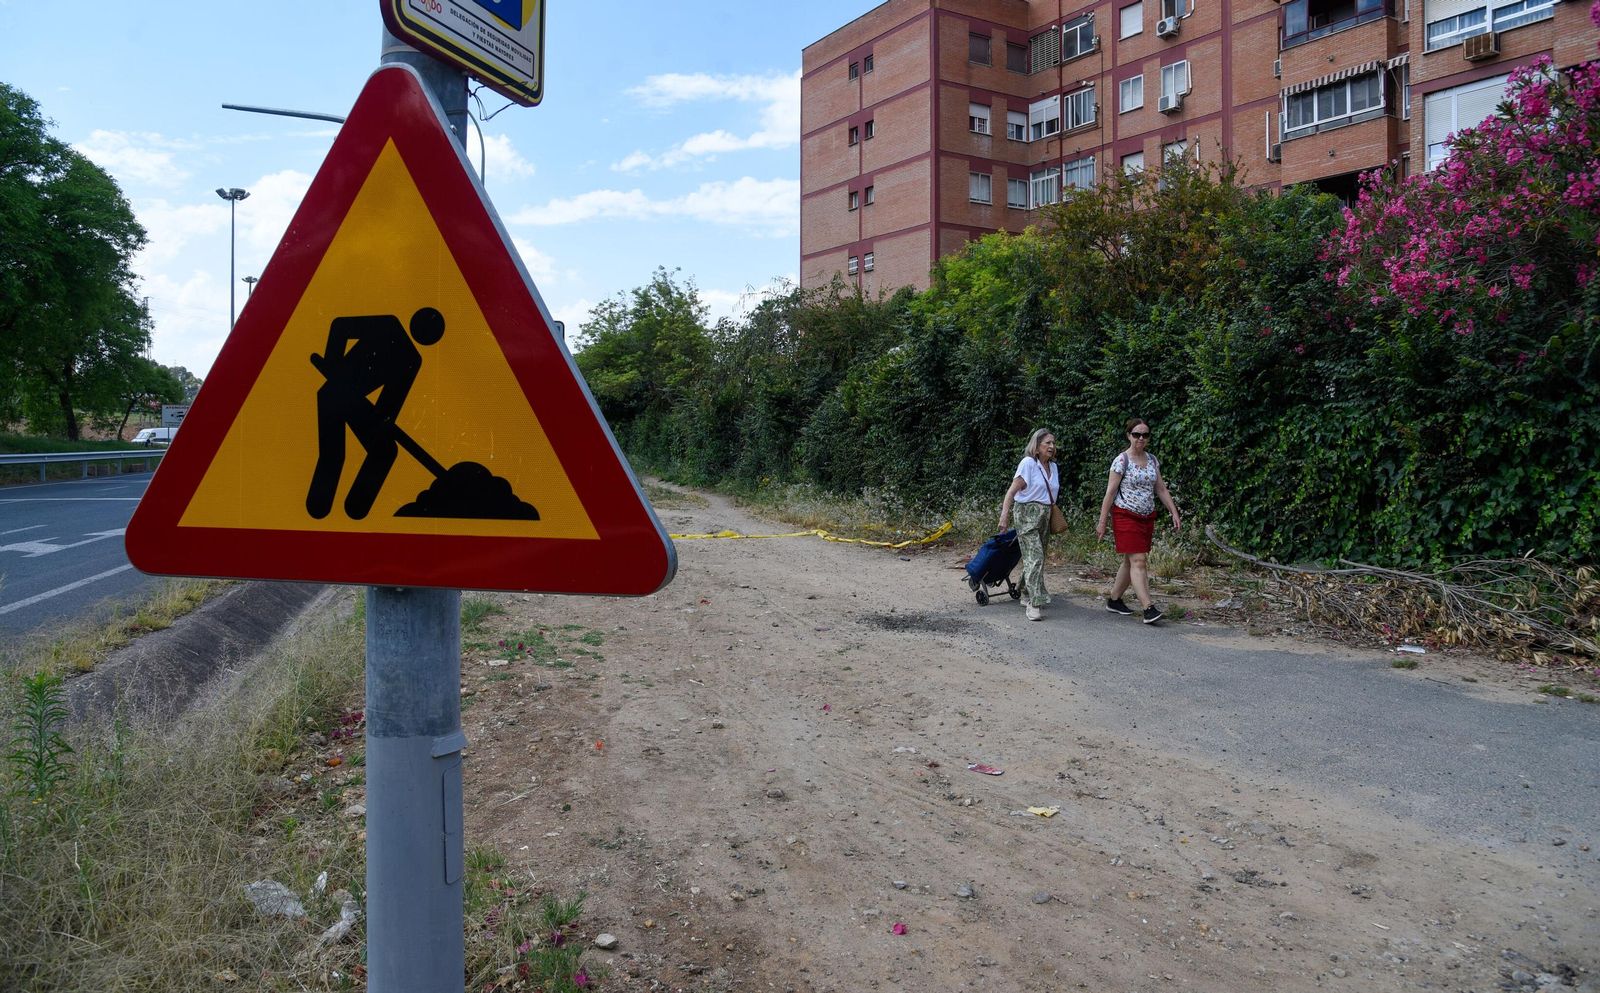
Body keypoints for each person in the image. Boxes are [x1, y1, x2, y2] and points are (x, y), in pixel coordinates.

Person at [1095, 417, 1180, 624]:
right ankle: (1148, 608)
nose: (1141, 438)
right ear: (1128, 436)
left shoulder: (1152, 460)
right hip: (1125, 515)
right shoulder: (1121, 461)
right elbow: (1110, 492)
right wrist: (1102, 521)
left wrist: (1174, 511)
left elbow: (1160, 488)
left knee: (1130, 560)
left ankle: (1114, 600)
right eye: (1136, 434)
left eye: (1145, 435)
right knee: (1138, 560)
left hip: (1146, 516)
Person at [999, 428, 1059, 621]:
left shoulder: (1054, 467)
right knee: (1036, 557)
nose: (1051, 446)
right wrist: (1004, 515)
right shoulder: (1028, 464)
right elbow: (1012, 491)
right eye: (1047, 443)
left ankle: (1024, 591)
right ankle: (1035, 602)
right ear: (1037, 445)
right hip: (1026, 514)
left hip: (1045, 515)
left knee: (1036, 556)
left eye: (1053, 443)